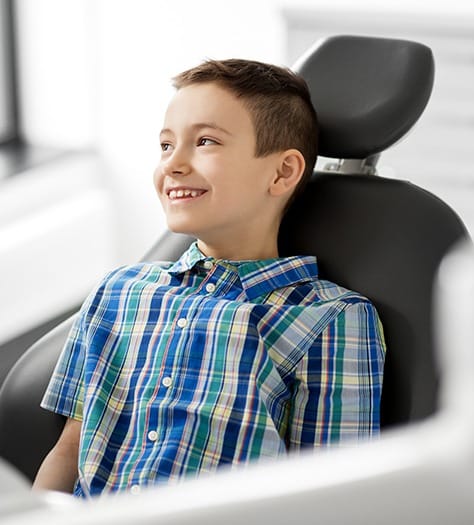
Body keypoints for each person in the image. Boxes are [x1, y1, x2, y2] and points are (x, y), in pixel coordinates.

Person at [33, 59, 386, 498]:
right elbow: (70, 451)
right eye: (165, 146)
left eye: (204, 142)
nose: (173, 165)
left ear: (282, 172)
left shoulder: (329, 319)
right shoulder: (119, 292)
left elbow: (333, 497)